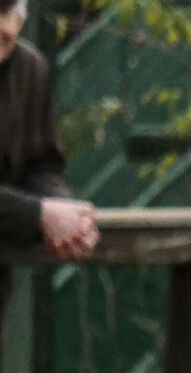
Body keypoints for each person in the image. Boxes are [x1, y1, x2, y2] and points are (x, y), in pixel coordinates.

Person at [0, 0, 98, 307]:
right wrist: (40, 215)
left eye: (5, 12)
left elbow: (41, 164)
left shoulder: (29, 69)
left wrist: (66, 214)